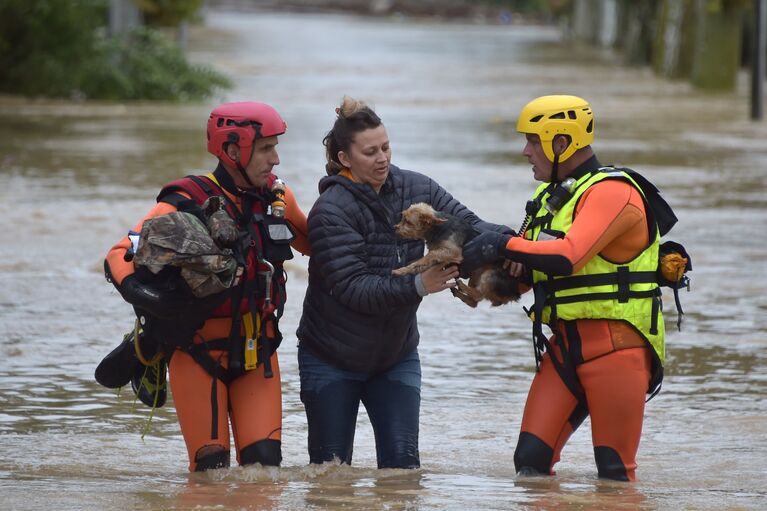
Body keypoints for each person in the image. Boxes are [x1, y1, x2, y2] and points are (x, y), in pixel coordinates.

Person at [460, 95, 682, 481]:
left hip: (616, 349)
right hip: (565, 348)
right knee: (529, 464)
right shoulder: (549, 197)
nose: (525, 151)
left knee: (614, 475)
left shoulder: (614, 192)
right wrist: (486, 274)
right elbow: (530, 272)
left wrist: (502, 244)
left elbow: (568, 257)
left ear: (561, 142)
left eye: (533, 141)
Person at [296, 96, 511, 469]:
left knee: (403, 475)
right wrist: (420, 285)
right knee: (330, 478)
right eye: (370, 152)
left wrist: (514, 243)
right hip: (330, 358)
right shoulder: (330, 211)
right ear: (345, 159)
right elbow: (353, 289)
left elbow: (472, 227)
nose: (382, 158)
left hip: (396, 357)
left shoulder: (417, 189)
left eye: (386, 147)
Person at [103, 101, 310, 472]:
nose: (276, 159)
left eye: (276, 147)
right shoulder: (186, 201)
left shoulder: (279, 201)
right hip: (196, 354)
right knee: (210, 472)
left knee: (263, 472)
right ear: (233, 150)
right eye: (266, 148)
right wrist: (143, 295)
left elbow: (322, 247)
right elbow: (119, 254)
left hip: (257, 354)